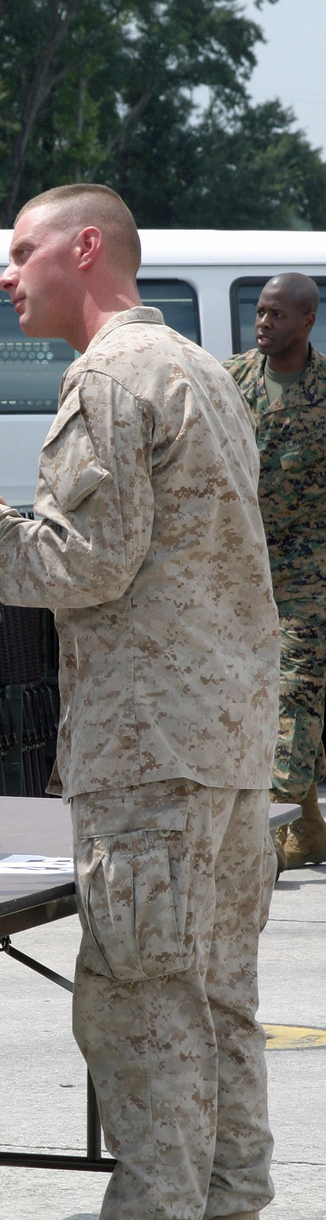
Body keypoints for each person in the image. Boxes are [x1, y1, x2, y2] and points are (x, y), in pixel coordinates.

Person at [0, 183, 281, 1220]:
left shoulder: (107, 378)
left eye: (18, 253)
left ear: (86, 248)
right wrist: (0, 513)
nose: (4, 277)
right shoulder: (195, 368)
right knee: (211, 1002)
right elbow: (141, 544)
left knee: (140, 1009)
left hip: (147, 751)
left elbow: (84, 566)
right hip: (217, 741)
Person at [224, 273, 326, 872]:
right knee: (253, 695)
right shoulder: (230, 380)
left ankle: (266, 832)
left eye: (277, 316)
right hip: (242, 572)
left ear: (307, 321)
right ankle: (309, 828)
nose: (264, 323)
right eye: (260, 313)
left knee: (295, 693)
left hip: (312, 579)